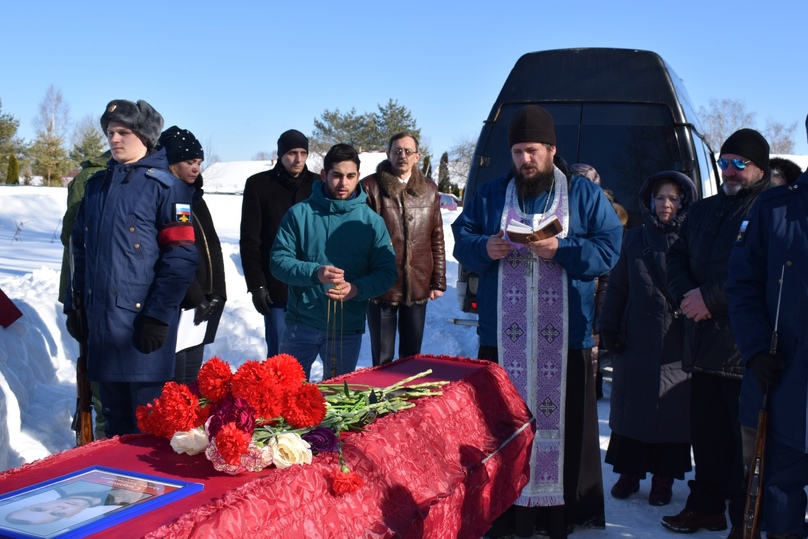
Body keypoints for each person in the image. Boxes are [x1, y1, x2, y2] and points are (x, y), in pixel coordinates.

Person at [452, 105, 623, 538]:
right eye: (517, 152)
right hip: (503, 335)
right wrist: (483, 248)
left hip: (565, 337)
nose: (525, 160)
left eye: (532, 151)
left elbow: (608, 248)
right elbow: (462, 235)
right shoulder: (492, 193)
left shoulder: (583, 194)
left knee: (561, 426)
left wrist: (561, 251)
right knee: (502, 427)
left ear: (551, 149)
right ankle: (506, 511)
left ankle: (558, 516)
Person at [64, 99, 198, 436]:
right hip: (103, 332)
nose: (114, 139)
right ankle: (116, 491)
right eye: (110, 132)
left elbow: (181, 258)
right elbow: (79, 249)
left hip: (142, 331)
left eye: (124, 132)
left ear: (146, 137)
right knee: (113, 431)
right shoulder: (96, 188)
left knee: (148, 433)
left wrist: (157, 316)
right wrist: (76, 304)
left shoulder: (168, 189)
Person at [662, 128, 770, 538]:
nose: (730, 171)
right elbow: (677, 256)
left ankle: (747, 518)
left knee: (747, 448)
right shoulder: (704, 211)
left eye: (739, 164)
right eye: (725, 162)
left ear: (759, 167)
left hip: (745, 350)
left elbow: (761, 272)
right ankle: (705, 507)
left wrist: (710, 298)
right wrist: (686, 296)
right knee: (706, 439)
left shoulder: (768, 209)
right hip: (703, 345)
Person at [725, 117, 808, 539]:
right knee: (778, 500)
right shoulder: (776, 208)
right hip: (785, 383)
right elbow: (743, 286)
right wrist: (756, 349)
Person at [599, 171, 697, 507]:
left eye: (672, 198)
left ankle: (663, 480)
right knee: (633, 413)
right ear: (649, 202)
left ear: (683, 202)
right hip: (636, 340)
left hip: (677, 343)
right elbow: (618, 288)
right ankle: (629, 474)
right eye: (660, 198)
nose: (665, 204)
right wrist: (609, 328)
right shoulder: (635, 239)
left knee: (672, 415)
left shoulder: (692, 239)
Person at [270, 143, 397, 380]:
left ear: (358, 177)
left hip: (346, 328)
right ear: (324, 175)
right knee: (286, 395)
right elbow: (278, 261)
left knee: (336, 403)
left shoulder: (372, 222)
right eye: (337, 175)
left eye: (350, 176)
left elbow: (386, 272)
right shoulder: (300, 214)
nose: (343, 183)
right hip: (301, 323)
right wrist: (314, 272)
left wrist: (357, 289)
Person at [360, 132, 446, 366]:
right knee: (383, 358)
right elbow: (361, 239)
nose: (402, 156)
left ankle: (409, 402)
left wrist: (438, 280)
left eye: (408, 151)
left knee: (411, 358)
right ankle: (382, 401)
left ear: (417, 156)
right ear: (388, 154)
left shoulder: (429, 189)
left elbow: (436, 236)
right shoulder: (370, 187)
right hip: (382, 287)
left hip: (417, 284)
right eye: (397, 150)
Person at [240, 129, 318, 358]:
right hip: (276, 285)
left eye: (303, 153)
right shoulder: (259, 185)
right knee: (280, 355)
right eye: (292, 153)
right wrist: (256, 285)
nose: (299, 159)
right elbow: (250, 239)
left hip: (313, 285)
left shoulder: (318, 185)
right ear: (281, 153)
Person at [158, 126, 227, 384]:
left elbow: (213, 246)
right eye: (189, 162)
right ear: (172, 162)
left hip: (202, 304)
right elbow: (174, 252)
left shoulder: (195, 197)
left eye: (199, 162)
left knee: (190, 378)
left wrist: (218, 291)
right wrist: (196, 296)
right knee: (175, 379)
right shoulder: (168, 196)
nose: (196, 168)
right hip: (181, 303)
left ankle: (186, 422)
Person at [60, 149, 111, 441]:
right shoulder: (90, 177)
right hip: (86, 287)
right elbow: (73, 236)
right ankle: (98, 435)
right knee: (96, 373)